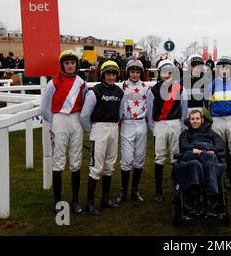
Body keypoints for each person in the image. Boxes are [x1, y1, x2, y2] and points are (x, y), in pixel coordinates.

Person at [41, 50, 87, 214]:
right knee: (58, 162)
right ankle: (58, 202)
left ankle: (75, 200)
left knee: (76, 162)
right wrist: (55, 124)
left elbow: (85, 106)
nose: (69, 66)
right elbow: (44, 108)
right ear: (62, 65)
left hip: (76, 121)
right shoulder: (52, 83)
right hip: (59, 120)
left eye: (72, 63)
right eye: (67, 63)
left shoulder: (82, 83)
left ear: (76, 64)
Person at [80, 60, 124, 215]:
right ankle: (89, 203)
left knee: (110, 164)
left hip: (113, 128)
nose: (111, 77)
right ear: (103, 74)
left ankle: (105, 199)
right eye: (108, 74)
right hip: (98, 128)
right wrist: (92, 131)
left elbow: (120, 112)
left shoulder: (119, 92)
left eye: (113, 74)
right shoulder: (95, 91)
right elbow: (85, 115)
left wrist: (114, 125)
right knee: (96, 167)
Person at [147, 59, 188, 203]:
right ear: (159, 74)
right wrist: (154, 128)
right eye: (164, 72)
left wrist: (182, 125)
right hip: (160, 125)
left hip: (175, 124)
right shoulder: (153, 90)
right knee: (159, 157)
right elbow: (149, 111)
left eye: (170, 72)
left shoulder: (180, 88)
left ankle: (176, 188)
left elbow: (184, 109)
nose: (167, 75)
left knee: (175, 157)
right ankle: (158, 191)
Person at [204, 56, 231, 198]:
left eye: (227, 68)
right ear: (217, 69)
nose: (224, 71)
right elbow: (206, 105)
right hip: (217, 121)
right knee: (218, 152)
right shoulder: (211, 86)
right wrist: (213, 117)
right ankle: (222, 182)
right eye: (221, 68)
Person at [173, 109, 225, 216]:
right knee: (194, 164)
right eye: (192, 119)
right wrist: (193, 149)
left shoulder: (210, 133)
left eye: (197, 119)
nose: (195, 121)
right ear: (189, 120)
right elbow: (183, 146)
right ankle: (194, 201)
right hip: (192, 155)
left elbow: (220, 144)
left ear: (202, 120)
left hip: (207, 154)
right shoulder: (185, 134)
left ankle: (209, 202)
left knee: (210, 161)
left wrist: (213, 150)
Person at [115, 59, 150, 205]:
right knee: (127, 158)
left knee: (139, 157)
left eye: (137, 72)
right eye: (132, 72)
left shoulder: (146, 88)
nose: (135, 75)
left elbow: (150, 106)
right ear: (128, 72)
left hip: (141, 123)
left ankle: (134, 190)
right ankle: (123, 191)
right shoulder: (121, 87)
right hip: (127, 123)